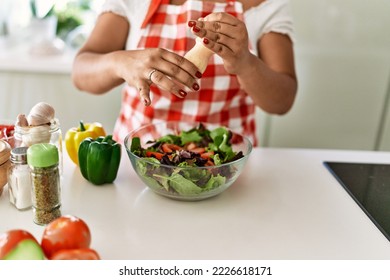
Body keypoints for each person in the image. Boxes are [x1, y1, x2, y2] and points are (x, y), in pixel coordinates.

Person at [72, 0, 297, 145]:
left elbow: (282, 101)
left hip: (227, 164)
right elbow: (81, 72)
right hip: (139, 161)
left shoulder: (264, 5)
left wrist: (246, 63)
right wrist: (120, 62)